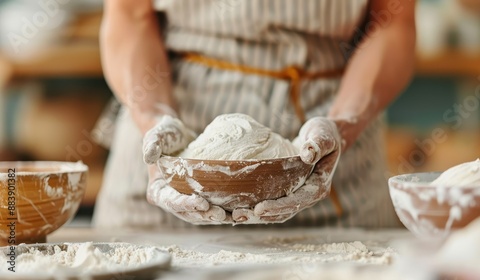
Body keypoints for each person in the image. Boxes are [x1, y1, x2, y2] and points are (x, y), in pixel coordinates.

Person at [93, 0, 416, 228]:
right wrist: (153, 116)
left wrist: (344, 124)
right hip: (171, 153)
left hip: (332, 162)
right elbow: (130, 15)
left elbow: (391, 22)